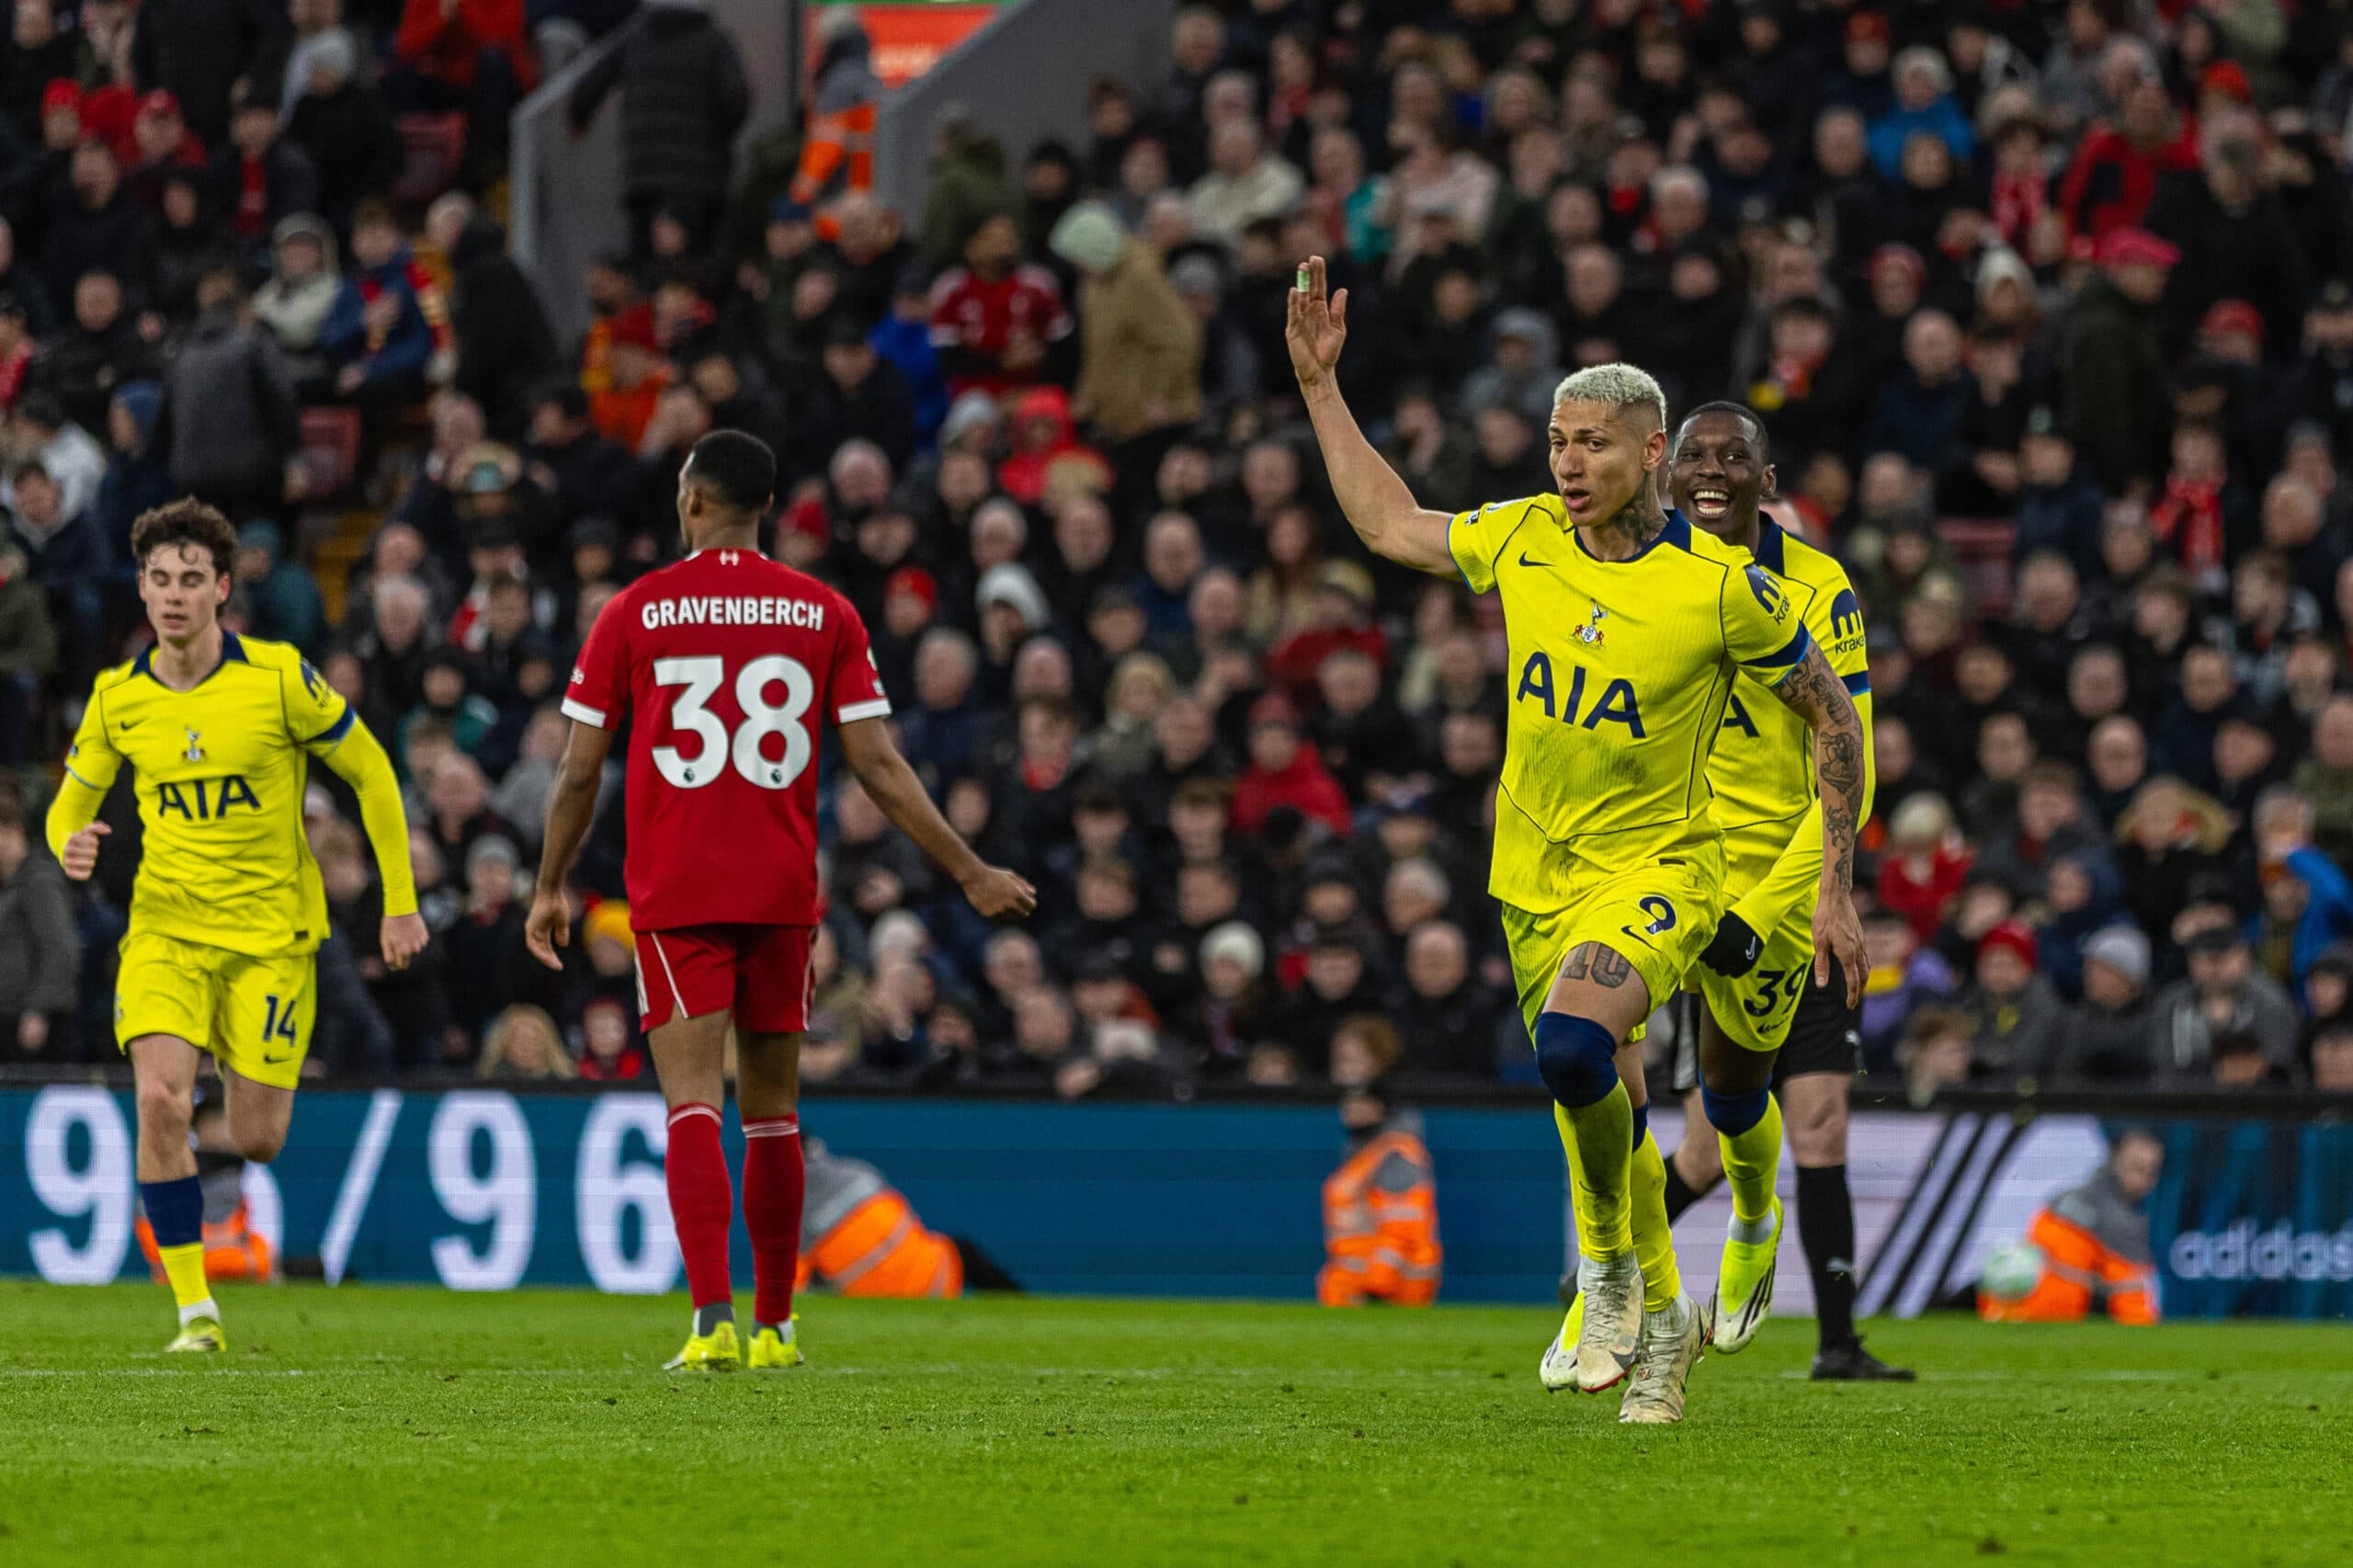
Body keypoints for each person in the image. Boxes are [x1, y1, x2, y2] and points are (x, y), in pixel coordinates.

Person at [1285, 257, 1866, 1424]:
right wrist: (1319, 389)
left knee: (1573, 1051)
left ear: (1649, 453)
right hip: (1534, 872)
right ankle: (1656, 1326)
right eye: (1557, 439)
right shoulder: (1526, 538)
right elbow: (1390, 520)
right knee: (1599, 1095)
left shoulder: (1722, 590)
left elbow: (1835, 720)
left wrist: (1837, 887)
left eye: (1593, 442)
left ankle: (1614, 1266)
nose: (1568, 462)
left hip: (1665, 869)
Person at [524, 429, 1035, 1373]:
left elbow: (577, 769)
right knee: (774, 1115)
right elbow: (878, 763)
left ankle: (710, 1319)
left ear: (690, 502)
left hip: (679, 890)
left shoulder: (635, 610)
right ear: (764, 508)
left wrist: (551, 882)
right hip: (781, 890)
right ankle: (777, 1326)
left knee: (690, 1106)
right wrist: (969, 870)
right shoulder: (823, 610)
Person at [43, 500, 426, 1351]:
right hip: (167, 933)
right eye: (159, 580)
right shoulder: (118, 699)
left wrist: (400, 901)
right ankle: (193, 1309)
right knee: (159, 1101)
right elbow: (66, 807)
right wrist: (65, 842)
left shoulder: (280, 679)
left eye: (191, 580)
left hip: (270, 944)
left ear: (222, 589)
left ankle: (225, 1059)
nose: (174, 595)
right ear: (140, 590)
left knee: (256, 1138)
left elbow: (371, 775)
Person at [1649, 402, 1910, 1381]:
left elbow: (1853, 753)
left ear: (1769, 481)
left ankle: (1837, 1340)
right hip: (1697, 890)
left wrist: (1821, 890)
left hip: (1802, 892)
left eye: (1733, 458)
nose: (1710, 473)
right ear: (1667, 474)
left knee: (1822, 1120)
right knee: (1711, 1144)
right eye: (1692, 458)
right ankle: (1616, 1258)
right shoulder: (1648, 574)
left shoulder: (1817, 585)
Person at [1980, 1130, 2163, 1324]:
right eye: (2137, 1169)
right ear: (2116, 1160)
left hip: (2008, 1309)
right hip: (2055, 1315)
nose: (2145, 1181)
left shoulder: (2062, 1198)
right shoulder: (2121, 1221)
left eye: (2151, 1172)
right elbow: (2132, 1298)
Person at [1316, 1074, 1441, 1308]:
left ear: (1381, 1108)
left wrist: (1378, 1285)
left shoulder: (1396, 1154)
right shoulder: (1361, 1151)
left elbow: (1403, 1226)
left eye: (1363, 1102)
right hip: (1354, 1283)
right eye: (1349, 1102)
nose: (1352, 1109)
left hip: (1392, 1291)